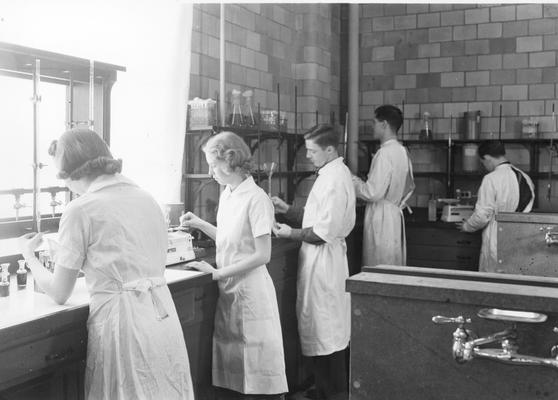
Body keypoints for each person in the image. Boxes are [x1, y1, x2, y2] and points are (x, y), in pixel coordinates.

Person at [17, 128, 193, 400]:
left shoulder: (81, 209)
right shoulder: (147, 199)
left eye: (62, 176)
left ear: (73, 172)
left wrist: (28, 255)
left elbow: (59, 292)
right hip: (162, 317)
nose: (66, 186)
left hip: (122, 323)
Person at [180, 131, 287, 399]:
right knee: (236, 372)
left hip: (252, 292)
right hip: (231, 290)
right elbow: (231, 239)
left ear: (231, 160)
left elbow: (262, 254)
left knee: (257, 371)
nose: (210, 172)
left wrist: (217, 273)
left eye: (213, 165)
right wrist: (200, 223)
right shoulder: (229, 193)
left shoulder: (257, 198)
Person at [272, 124, 355, 400]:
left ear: (329, 150)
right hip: (322, 261)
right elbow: (317, 217)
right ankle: (324, 390)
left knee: (326, 333)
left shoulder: (333, 179)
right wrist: (288, 210)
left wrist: (289, 232)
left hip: (324, 264)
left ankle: (333, 394)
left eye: (312, 151)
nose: (308, 156)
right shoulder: (331, 173)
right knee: (324, 331)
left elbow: (322, 232)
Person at [457, 140, 535, 272]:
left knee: (492, 283)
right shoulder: (525, 177)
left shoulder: (491, 179)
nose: (484, 166)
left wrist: (467, 226)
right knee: (515, 280)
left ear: (487, 158)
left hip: (496, 238)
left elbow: (482, 216)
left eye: (482, 162)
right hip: (520, 237)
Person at [352, 105, 415, 267]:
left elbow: (372, 193)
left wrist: (351, 180)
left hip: (381, 216)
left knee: (378, 264)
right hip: (393, 213)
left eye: (375, 122)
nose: (373, 127)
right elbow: (410, 186)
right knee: (392, 264)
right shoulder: (402, 151)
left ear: (384, 124)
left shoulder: (384, 153)